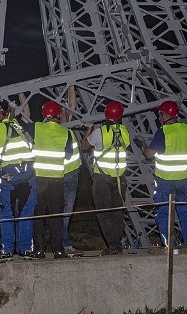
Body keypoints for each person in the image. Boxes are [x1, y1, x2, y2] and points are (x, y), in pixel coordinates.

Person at [135, 100, 187, 247]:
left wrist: (143, 146)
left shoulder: (163, 132)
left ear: (165, 115)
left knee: (163, 214)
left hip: (165, 181)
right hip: (183, 179)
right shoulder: (186, 129)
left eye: (160, 114)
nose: (158, 118)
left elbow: (149, 155)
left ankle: (169, 244)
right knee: (185, 214)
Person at [0, 101, 36, 259]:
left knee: (6, 214)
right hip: (28, 175)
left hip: (8, 178)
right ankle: (26, 250)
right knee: (26, 213)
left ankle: (7, 251)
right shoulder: (21, 126)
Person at [80, 101, 130, 255]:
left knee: (104, 213)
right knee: (117, 212)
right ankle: (117, 243)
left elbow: (84, 146)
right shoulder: (124, 131)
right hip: (119, 179)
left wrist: (89, 129)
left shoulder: (100, 132)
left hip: (102, 178)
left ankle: (113, 245)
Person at [31, 100, 73, 259]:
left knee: (38, 215)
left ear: (44, 115)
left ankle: (39, 250)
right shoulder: (65, 133)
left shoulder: (37, 128)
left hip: (40, 180)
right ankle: (58, 249)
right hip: (57, 180)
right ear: (58, 115)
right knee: (56, 216)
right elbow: (68, 155)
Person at [62, 127, 83, 256]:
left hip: (52, 177)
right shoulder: (67, 132)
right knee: (64, 214)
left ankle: (62, 245)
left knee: (61, 214)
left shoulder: (42, 131)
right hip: (67, 177)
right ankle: (64, 244)